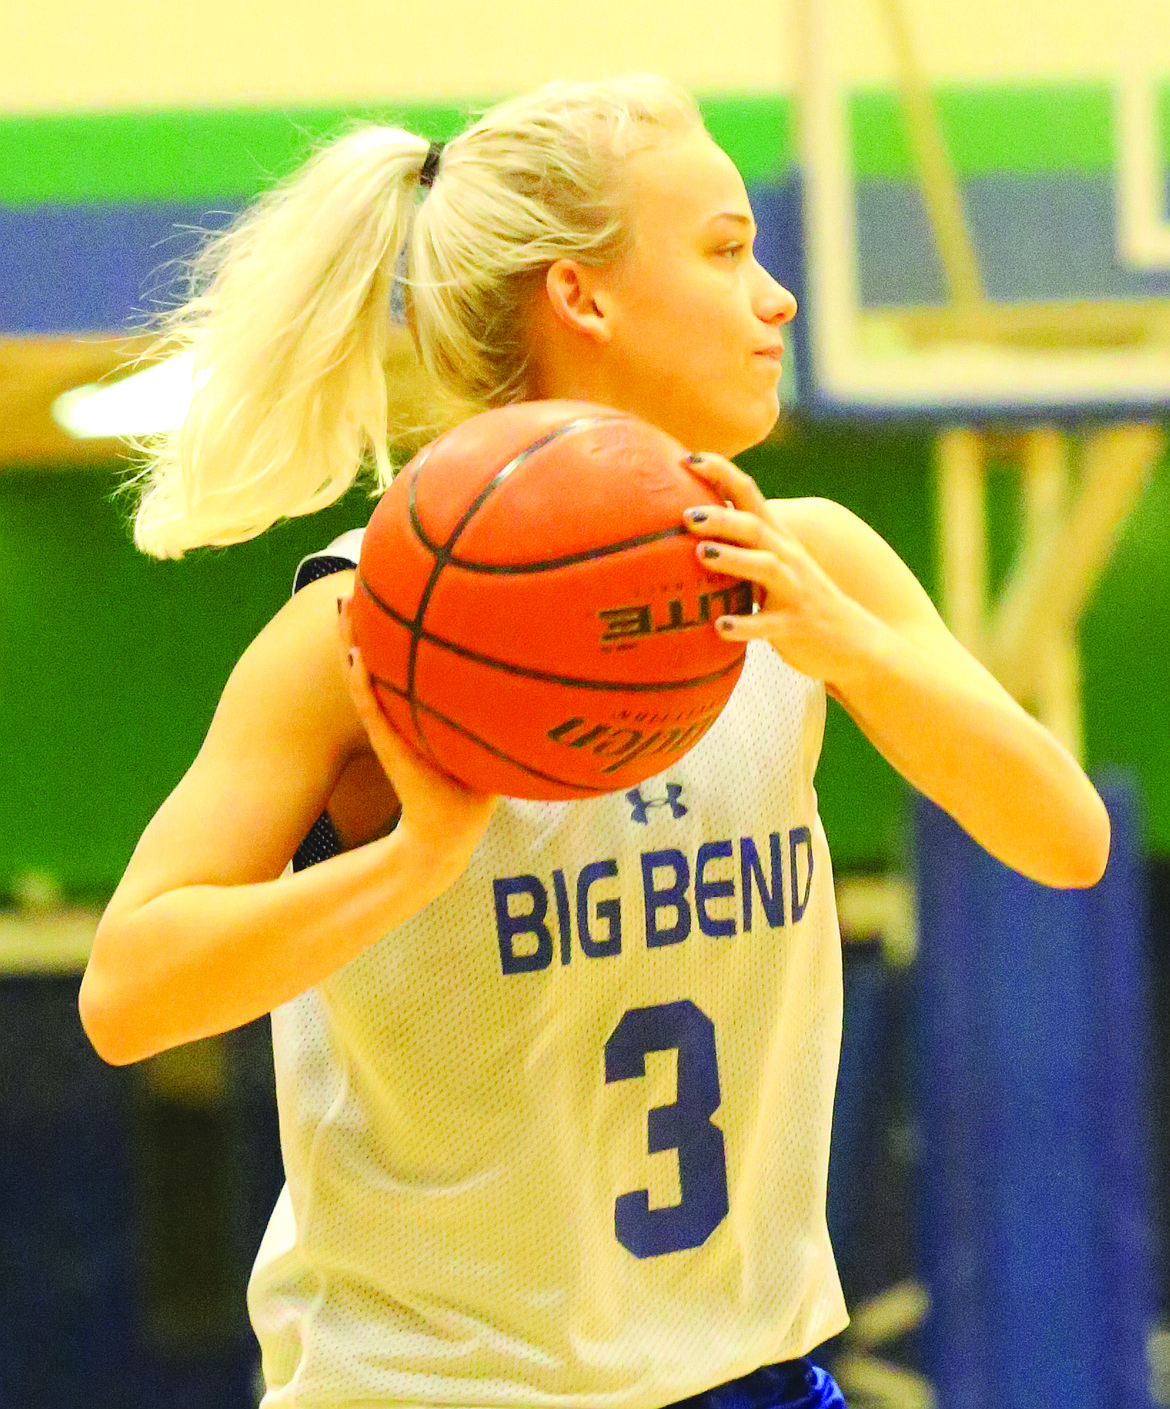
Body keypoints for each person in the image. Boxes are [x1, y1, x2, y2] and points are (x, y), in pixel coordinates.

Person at [78, 75, 1111, 1409]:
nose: (777, 295)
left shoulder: (817, 566)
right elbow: (125, 996)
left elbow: (1066, 840)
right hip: (430, 1390)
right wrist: (405, 867)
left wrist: (849, 648)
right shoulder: (366, 623)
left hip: (747, 1371)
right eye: (727, 247)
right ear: (583, 296)